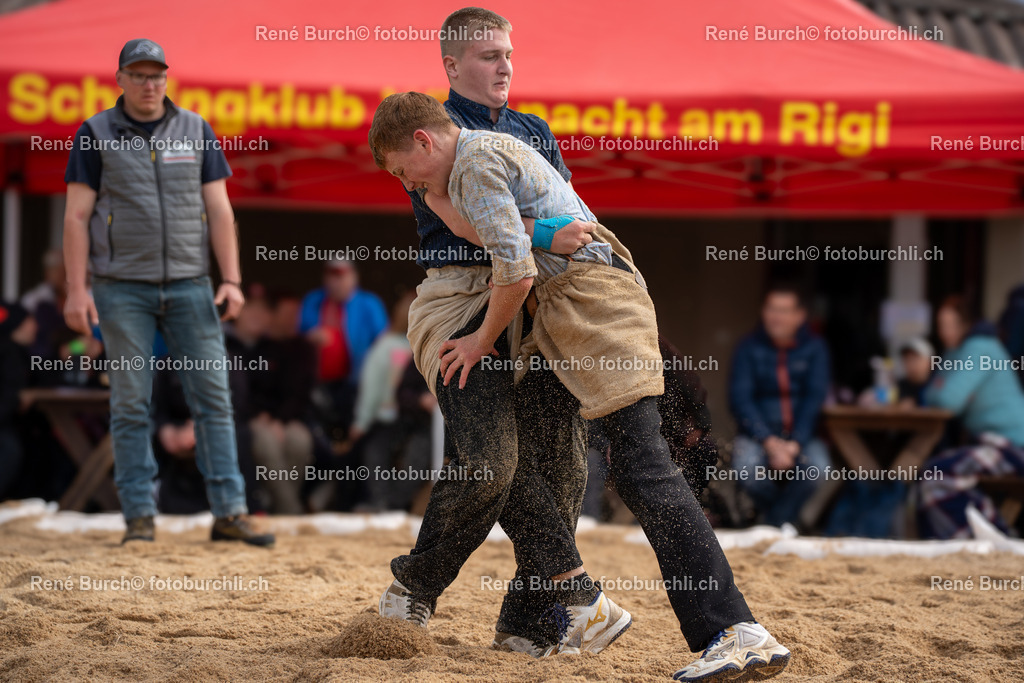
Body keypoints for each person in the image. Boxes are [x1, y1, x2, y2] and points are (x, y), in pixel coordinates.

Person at [368, 89, 791, 681]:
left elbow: (513, 271)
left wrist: (481, 339)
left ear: (422, 140)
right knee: (526, 459)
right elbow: (493, 233)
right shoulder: (476, 158)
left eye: (401, 170)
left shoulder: (473, 162)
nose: (406, 184)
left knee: (642, 467)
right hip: (562, 315)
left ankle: (733, 629)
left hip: (589, 304)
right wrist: (485, 213)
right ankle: (540, 616)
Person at [373, 7, 625, 660]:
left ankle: (527, 622)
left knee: (563, 470)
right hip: (466, 301)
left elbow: (573, 219)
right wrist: (545, 235)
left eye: (508, 53)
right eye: (489, 55)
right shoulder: (426, 133)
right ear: (452, 66)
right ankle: (417, 589)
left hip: (541, 305)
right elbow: (471, 229)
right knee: (490, 463)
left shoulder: (532, 130)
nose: (505, 65)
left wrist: (555, 241)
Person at [61, 38, 272, 547]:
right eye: (138, 74)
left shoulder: (196, 128)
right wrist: (76, 290)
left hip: (190, 283)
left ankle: (229, 511)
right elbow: (75, 217)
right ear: (120, 79)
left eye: (156, 74)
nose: (149, 84)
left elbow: (220, 210)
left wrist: (231, 280)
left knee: (214, 399)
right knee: (131, 402)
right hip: (120, 287)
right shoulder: (94, 133)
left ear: (166, 78)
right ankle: (138, 516)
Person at [729, 284, 832, 528]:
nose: (776, 317)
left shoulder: (815, 348)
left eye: (784, 310)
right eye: (771, 309)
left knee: (818, 469)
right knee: (746, 469)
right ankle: (787, 522)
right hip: (757, 436)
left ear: (800, 316)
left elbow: (814, 398)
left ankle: (772, 523)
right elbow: (740, 399)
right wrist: (769, 441)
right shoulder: (748, 347)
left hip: (802, 436)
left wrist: (796, 442)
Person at [299, 260, 388, 440]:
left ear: (354, 278)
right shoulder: (314, 301)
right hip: (319, 382)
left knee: (354, 433)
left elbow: (383, 342)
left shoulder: (368, 303)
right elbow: (298, 336)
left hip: (356, 382)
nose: (336, 282)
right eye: (332, 276)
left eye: (342, 276)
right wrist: (311, 337)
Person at [0, 302, 36, 501]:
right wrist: (16, 398)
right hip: (5, 424)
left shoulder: (22, 353)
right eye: (31, 321)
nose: (35, 326)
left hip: (12, 423)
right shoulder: (8, 352)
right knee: (11, 449)